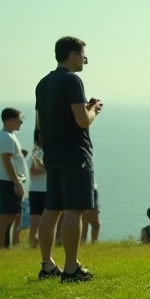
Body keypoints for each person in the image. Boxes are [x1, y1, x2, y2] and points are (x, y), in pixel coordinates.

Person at [34, 35, 101, 282]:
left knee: (51, 210)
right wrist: (93, 110)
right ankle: (72, 268)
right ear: (72, 54)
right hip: (75, 154)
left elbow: (40, 123)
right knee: (75, 210)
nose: (84, 60)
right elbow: (82, 120)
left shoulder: (43, 83)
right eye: (83, 55)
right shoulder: (73, 80)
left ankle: (48, 265)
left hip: (52, 153)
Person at [0, 107, 27, 249]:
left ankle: (4, 246)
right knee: (6, 217)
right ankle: (2, 248)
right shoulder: (6, 137)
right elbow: (7, 161)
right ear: (9, 120)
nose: (21, 123)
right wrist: (16, 182)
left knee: (10, 216)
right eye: (19, 120)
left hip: (8, 180)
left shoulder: (7, 136)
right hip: (8, 181)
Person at [27, 128, 47, 248]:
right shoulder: (36, 152)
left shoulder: (49, 152)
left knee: (47, 221)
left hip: (48, 189)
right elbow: (33, 171)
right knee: (35, 222)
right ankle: (32, 245)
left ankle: (44, 244)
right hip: (36, 190)